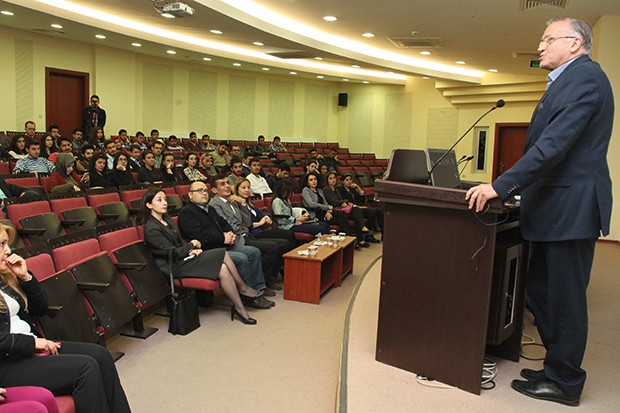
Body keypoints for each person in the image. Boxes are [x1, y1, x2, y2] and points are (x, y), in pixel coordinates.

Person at [465, 18, 614, 407]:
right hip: (557, 208)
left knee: (564, 299)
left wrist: (500, 186)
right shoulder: (568, 80)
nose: (541, 46)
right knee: (543, 290)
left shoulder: (584, 78)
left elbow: (553, 147)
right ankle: (556, 367)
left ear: (575, 43)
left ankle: (565, 382)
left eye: (548, 39)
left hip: (571, 209)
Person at [0, 223, 132, 412]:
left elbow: (40, 306)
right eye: (2, 244)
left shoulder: (4, 278)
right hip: (8, 363)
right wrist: (33, 343)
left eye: (7, 244)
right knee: (86, 369)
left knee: (101, 355)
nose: (8, 250)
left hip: (30, 347)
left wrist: (25, 277)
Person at [141, 187, 261, 324]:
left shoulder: (167, 219)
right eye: (159, 200)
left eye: (165, 199)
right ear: (149, 205)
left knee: (223, 269)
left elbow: (180, 242)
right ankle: (243, 288)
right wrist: (191, 246)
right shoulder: (152, 228)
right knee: (223, 253)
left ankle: (239, 308)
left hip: (183, 258)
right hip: (173, 265)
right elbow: (171, 253)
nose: (164, 203)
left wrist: (190, 250)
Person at [177, 181, 274, 307]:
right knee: (242, 258)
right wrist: (223, 239)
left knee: (254, 252)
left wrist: (230, 234)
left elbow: (224, 224)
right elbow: (200, 235)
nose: (204, 193)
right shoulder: (187, 213)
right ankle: (247, 297)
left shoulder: (210, 209)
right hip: (208, 251)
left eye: (205, 190)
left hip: (222, 246)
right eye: (199, 191)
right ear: (190, 195)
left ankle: (258, 289)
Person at [209, 174, 291, 291]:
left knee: (283, 244)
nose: (227, 186)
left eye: (228, 183)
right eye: (222, 184)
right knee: (273, 247)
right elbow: (228, 226)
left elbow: (247, 222)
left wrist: (243, 204)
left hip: (246, 235)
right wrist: (244, 228)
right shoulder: (214, 204)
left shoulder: (233, 201)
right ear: (214, 190)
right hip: (237, 239)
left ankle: (266, 278)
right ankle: (262, 280)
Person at [233, 177, 298, 246]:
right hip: (253, 234)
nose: (247, 190)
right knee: (285, 239)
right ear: (237, 190)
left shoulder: (250, 203)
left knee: (289, 234)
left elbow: (262, 213)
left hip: (260, 230)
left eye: (248, 187)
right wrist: (260, 223)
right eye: (243, 188)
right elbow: (244, 224)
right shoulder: (236, 205)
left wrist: (266, 217)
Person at [323, 171, 370, 249]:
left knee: (356, 212)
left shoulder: (337, 190)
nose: (333, 180)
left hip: (342, 209)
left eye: (334, 178)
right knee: (344, 215)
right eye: (330, 178)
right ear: (327, 180)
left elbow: (341, 200)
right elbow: (332, 202)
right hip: (334, 210)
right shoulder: (326, 190)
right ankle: (349, 241)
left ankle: (361, 238)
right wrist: (343, 202)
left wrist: (343, 202)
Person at [339, 172, 384, 242]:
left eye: (350, 179)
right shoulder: (340, 190)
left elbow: (362, 200)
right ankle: (368, 235)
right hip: (351, 211)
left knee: (379, 211)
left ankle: (383, 234)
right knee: (372, 212)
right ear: (342, 181)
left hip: (358, 208)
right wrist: (358, 206)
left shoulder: (352, 189)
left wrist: (359, 189)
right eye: (346, 180)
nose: (349, 181)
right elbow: (346, 203)